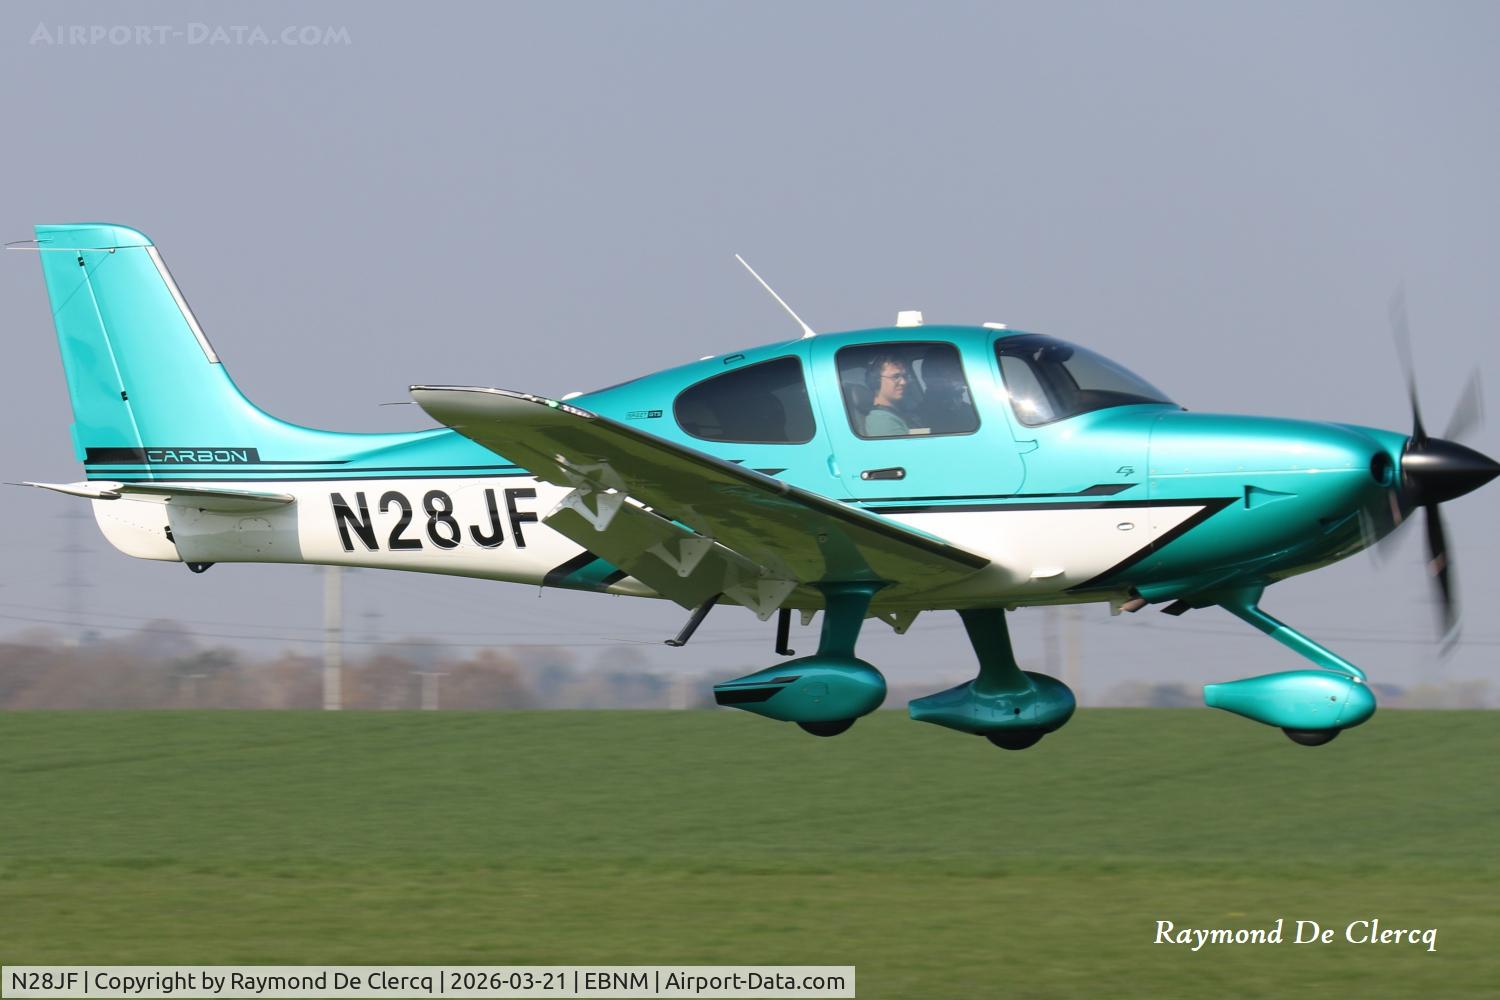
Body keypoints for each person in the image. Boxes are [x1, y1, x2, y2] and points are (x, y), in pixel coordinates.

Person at [864, 355, 912, 437]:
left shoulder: (895, 413)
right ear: (876, 380)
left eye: (904, 376)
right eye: (896, 377)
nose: (903, 382)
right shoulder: (881, 420)